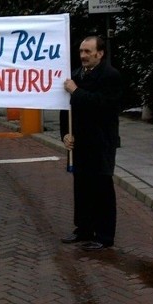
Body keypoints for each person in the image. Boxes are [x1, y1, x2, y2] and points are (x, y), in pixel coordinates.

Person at [59, 36, 123, 250]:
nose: (83, 56)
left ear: (100, 53)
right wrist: (66, 134)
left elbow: (103, 105)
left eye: (88, 51)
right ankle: (84, 229)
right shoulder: (75, 75)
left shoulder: (110, 76)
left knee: (102, 188)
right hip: (80, 143)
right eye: (81, 51)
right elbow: (65, 110)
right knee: (82, 187)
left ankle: (105, 236)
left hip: (101, 142)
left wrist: (76, 91)